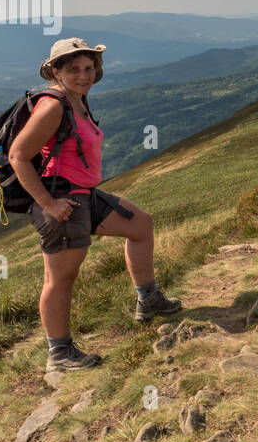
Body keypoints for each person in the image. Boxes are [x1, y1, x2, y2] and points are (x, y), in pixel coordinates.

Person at [10, 37, 181, 371]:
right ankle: (59, 354)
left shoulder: (78, 100)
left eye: (89, 68)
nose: (83, 75)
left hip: (84, 195)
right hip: (63, 201)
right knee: (61, 279)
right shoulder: (53, 105)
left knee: (140, 223)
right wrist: (47, 204)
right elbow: (18, 155)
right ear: (55, 71)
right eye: (73, 69)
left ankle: (149, 300)